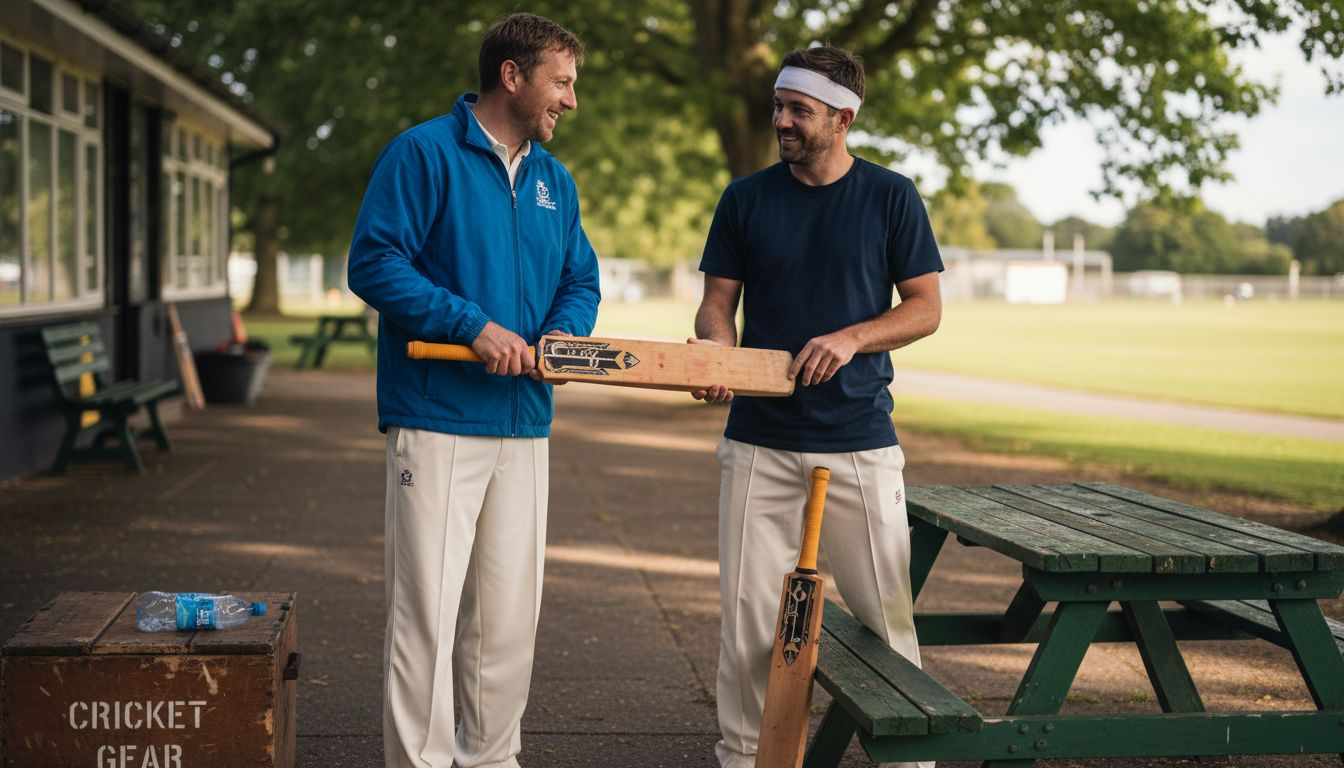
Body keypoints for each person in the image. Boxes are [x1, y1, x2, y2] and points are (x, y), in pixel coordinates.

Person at [346, 13, 600, 768]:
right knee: (424, 614)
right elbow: (375, 262)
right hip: (439, 415)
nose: (572, 101)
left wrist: (559, 336)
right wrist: (472, 326)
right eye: (562, 82)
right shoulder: (422, 153)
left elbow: (579, 278)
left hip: (525, 423)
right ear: (512, 76)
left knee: (507, 620)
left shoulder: (556, 181)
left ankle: (490, 760)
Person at [691, 46, 942, 768]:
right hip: (759, 442)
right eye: (778, 107)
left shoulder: (892, 196)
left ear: (843, 117)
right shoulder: (745, 198)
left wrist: (853, 338)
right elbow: (717, 305)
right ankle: (745, 758)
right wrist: (718, 355)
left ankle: (909, 759)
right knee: (747, 625)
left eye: (799, 110)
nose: (782, 121)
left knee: (886, 623)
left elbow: (925, 308)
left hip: (860, 440)